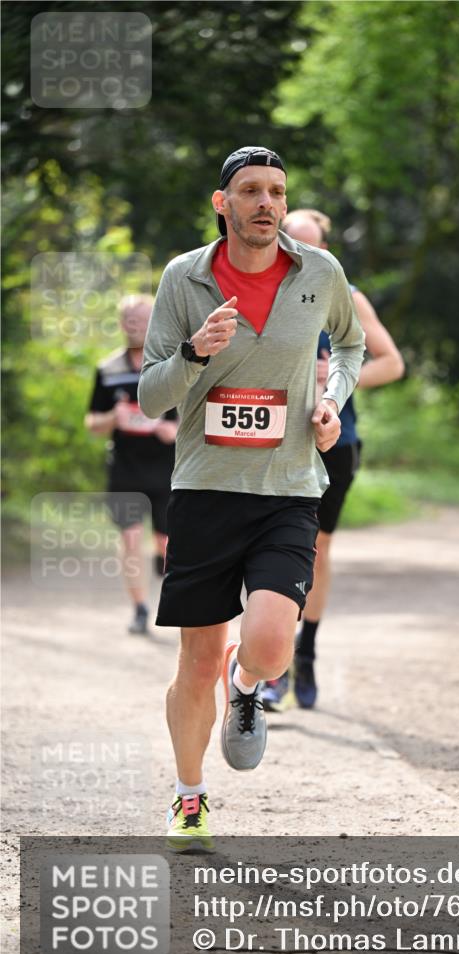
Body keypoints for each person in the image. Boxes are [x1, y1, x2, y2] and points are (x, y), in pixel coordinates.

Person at [138, 146, 365, 851]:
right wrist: (194, 354)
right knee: (194, 662)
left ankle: (249, 686)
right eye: (250, 191)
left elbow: (351, 348)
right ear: (222, 202)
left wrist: (330, 401)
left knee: (268, 649)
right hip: (206, 488)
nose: (265, 202)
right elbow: (151, 396)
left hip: (289, 488)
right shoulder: (184, 278)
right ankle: (188, 797)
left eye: (275, 190)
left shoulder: (320, 272)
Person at [261, 209, 404, 712]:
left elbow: (391, 362)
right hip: (269, 440)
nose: (303, 255)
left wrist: (335, 379)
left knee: (314, 551)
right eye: (293, 244)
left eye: (314, 247)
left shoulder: (347, 295)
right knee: (263, 548)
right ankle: (268, 662)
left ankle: (306, 655)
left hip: (333, 442)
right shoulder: (259, 289)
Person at [85, 294, 178, 635]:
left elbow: (194, 419)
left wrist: (174, 429)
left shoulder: (172, 365)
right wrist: (112, 417)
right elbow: (92, 422)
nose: (133, 326)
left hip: (166, 468)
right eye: (128, 319)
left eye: (140, 319)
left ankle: (161, 558)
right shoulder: (107, 369)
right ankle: (140, 608)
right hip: (125, 467)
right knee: (129, 538)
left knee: (165, 544)